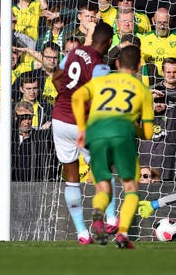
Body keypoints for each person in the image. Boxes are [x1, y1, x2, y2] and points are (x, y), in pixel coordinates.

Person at [71, 45, 154, 249]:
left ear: (117, 64)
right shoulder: (142, 90)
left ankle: (99, 216)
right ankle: (122, 234)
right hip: (122, 132)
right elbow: (149, 134)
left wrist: (82, 128)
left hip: (96, 134)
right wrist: (135, 128)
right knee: (131, 188)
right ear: (139, 66)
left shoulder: (101, 81)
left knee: (103, 187)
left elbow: (76, 97)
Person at [51, 21, 116, 245]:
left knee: (71, 178)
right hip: (82, 124)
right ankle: (112, 217)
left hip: (59, 119)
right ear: (108, 42)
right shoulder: (100, 66)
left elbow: (55, 77)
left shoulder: (74, 52)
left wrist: (67, 96)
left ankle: (81, 232)